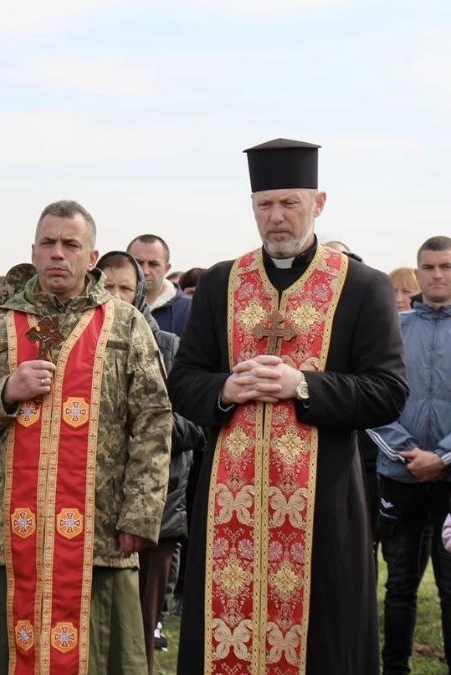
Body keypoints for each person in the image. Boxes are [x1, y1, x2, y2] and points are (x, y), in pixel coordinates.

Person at [171, 138, 409, 674]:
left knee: (323, 639)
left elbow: (389, 390)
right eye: (265, 204)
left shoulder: (362, 286)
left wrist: (303, 385)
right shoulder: (221, 282)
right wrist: (225, 390)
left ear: (318, 203)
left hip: (325, 504)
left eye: (289, 203)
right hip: (229, 503)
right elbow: (182, 381)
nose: (276, 217)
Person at [0, 200, 173, 674]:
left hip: (101, 537)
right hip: (15, 538)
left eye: (71, 244)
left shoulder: (126, 325)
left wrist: (140, 514)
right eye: (48, 243)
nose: (58, 254)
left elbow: (153, 422)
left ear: (92, 257)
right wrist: (6, 391)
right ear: (33, 250)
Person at [95, 250, 204, 674]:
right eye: (107, 286)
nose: (116, 296)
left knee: (138, 633)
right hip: (93, 508)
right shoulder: (80, 345)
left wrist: (139, 422)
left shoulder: (170, 347)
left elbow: (195, 426)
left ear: (141, 292)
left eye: (125, 287)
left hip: (157, 512)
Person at [368, 236, 451, 674]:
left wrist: (444, 457)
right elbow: (373, 397)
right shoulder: (395, 330)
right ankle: (394, 668)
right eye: (429, 267)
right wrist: (408, 453)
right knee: (399, 585)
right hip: (400, 477)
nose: (438, 275)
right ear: (417, 273)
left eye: (447, 267)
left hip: (450, 480)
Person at [127, 233, 191, 336]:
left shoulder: (189, 311)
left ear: (167, 268)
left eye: (153, 264)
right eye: (138, 263)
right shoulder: (111, 307)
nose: (145, 271)